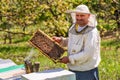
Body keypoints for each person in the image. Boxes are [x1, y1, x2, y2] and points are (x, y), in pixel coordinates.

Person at [53, 4, 101, 80]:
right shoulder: (74, 27)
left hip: (86, 71)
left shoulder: (92, 32)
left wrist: (69, 59)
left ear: (88, 16)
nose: (79, 18)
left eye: (82, 15)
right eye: (77, 15)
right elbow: (73, 41)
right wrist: (62, 40)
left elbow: (87, 53)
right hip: (73, 69)